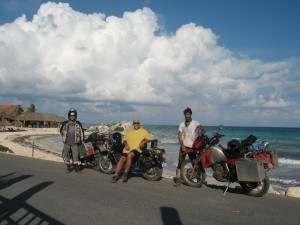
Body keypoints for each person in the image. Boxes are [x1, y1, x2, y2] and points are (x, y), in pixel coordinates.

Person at [174, 107, 201, 186]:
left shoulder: (196, 123)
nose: (187, 116)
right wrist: (182, 145)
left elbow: (201, 132)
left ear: (191, 114)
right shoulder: (182, 124)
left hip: (193, 147)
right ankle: (178, 179)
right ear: (184, 115)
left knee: (194, 163)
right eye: (186, 114)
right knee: (180, 162)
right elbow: (179, 135)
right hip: (184, 146)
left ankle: (197, 178)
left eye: (188, 114)